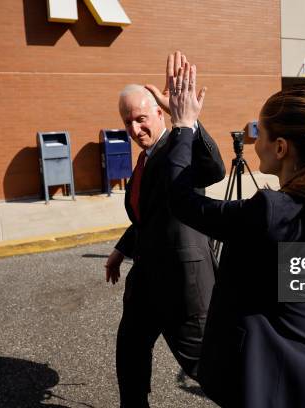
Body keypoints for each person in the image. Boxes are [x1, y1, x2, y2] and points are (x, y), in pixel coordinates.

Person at [164, 58, 305, 407]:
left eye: (259, 134)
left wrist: (182, 126)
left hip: (262, 388)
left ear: (280, 148)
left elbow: (181, 200)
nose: (253, 143)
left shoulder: (269, 212)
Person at [105, 54, 225, 408]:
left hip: (183, 283)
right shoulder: (143, 159)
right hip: (146, 279)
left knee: (208, 368)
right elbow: (149, 216)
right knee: (129, 349)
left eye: (141, 119)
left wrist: (184, 119)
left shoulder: (179, 146)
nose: (134, 129)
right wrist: (121, 249)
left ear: (160, 113)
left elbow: (214, 168)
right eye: (127, 122)